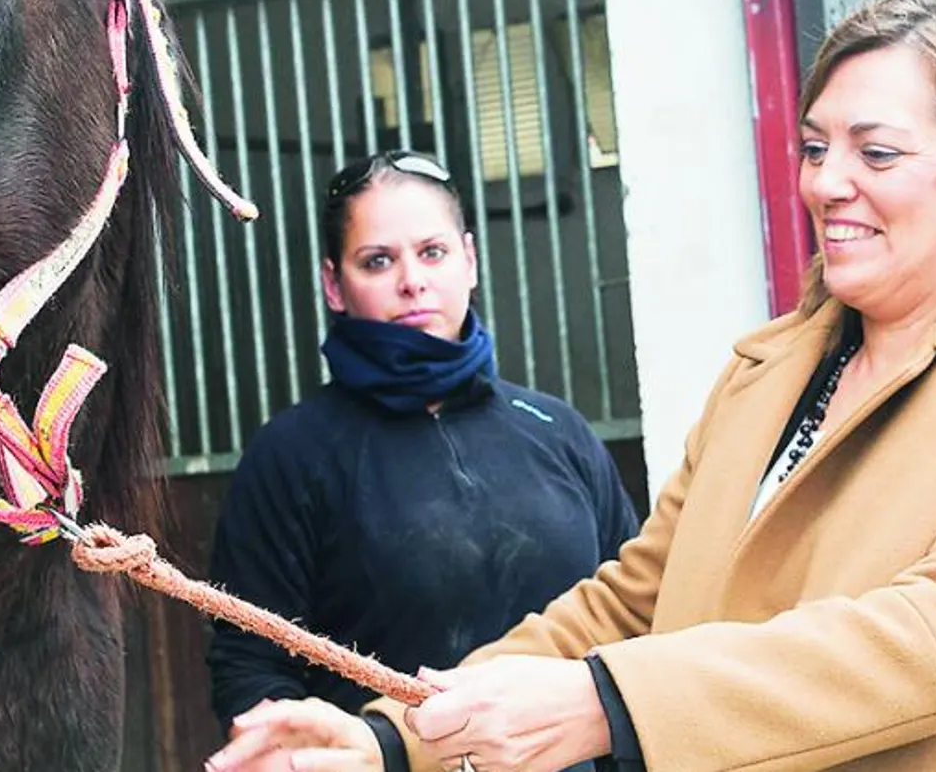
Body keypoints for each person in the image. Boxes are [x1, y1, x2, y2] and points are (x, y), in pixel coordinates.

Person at [204, 0, 936, 772]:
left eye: (875, 151)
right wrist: (394, 735)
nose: (824, 182)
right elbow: (633, 598)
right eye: (814, 147)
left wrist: (606, 706)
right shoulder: (772, 369)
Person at [205, 149, 642, 770]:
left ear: (469, 259)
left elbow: (634, 614)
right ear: (334, 284)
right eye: (377, 261)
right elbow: (251, 658)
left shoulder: (558, 432)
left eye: (431, 253)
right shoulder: (290, 456)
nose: (412, 280)